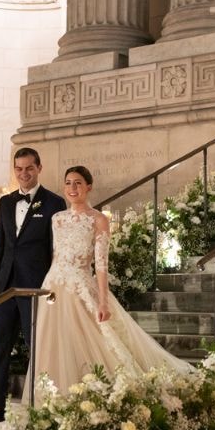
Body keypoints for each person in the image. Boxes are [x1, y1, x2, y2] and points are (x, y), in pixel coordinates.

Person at [30, 165, 189, 397]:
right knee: (54, 343)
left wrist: (103, 301)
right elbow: (55, 254)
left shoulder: (99, 220)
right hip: (53, 287)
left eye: (78, 183)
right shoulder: (57, 218)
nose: (72, 188)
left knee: (93, 341)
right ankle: (55, 397)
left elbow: (101, 264)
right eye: (68, 183)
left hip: (80, 288)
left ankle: (92, 394)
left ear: (88, 187)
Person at [0, 148, 66, 424]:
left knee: (37, 345)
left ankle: (42, 403)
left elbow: (57, 248)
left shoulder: (54, 202)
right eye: (18, 169)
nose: (23, 174)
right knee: (0, 346)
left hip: (36, 286)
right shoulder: (6, 202)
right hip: (6, 285)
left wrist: (54, 283)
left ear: (39, 168)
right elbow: (0, 245)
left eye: (28, 168)